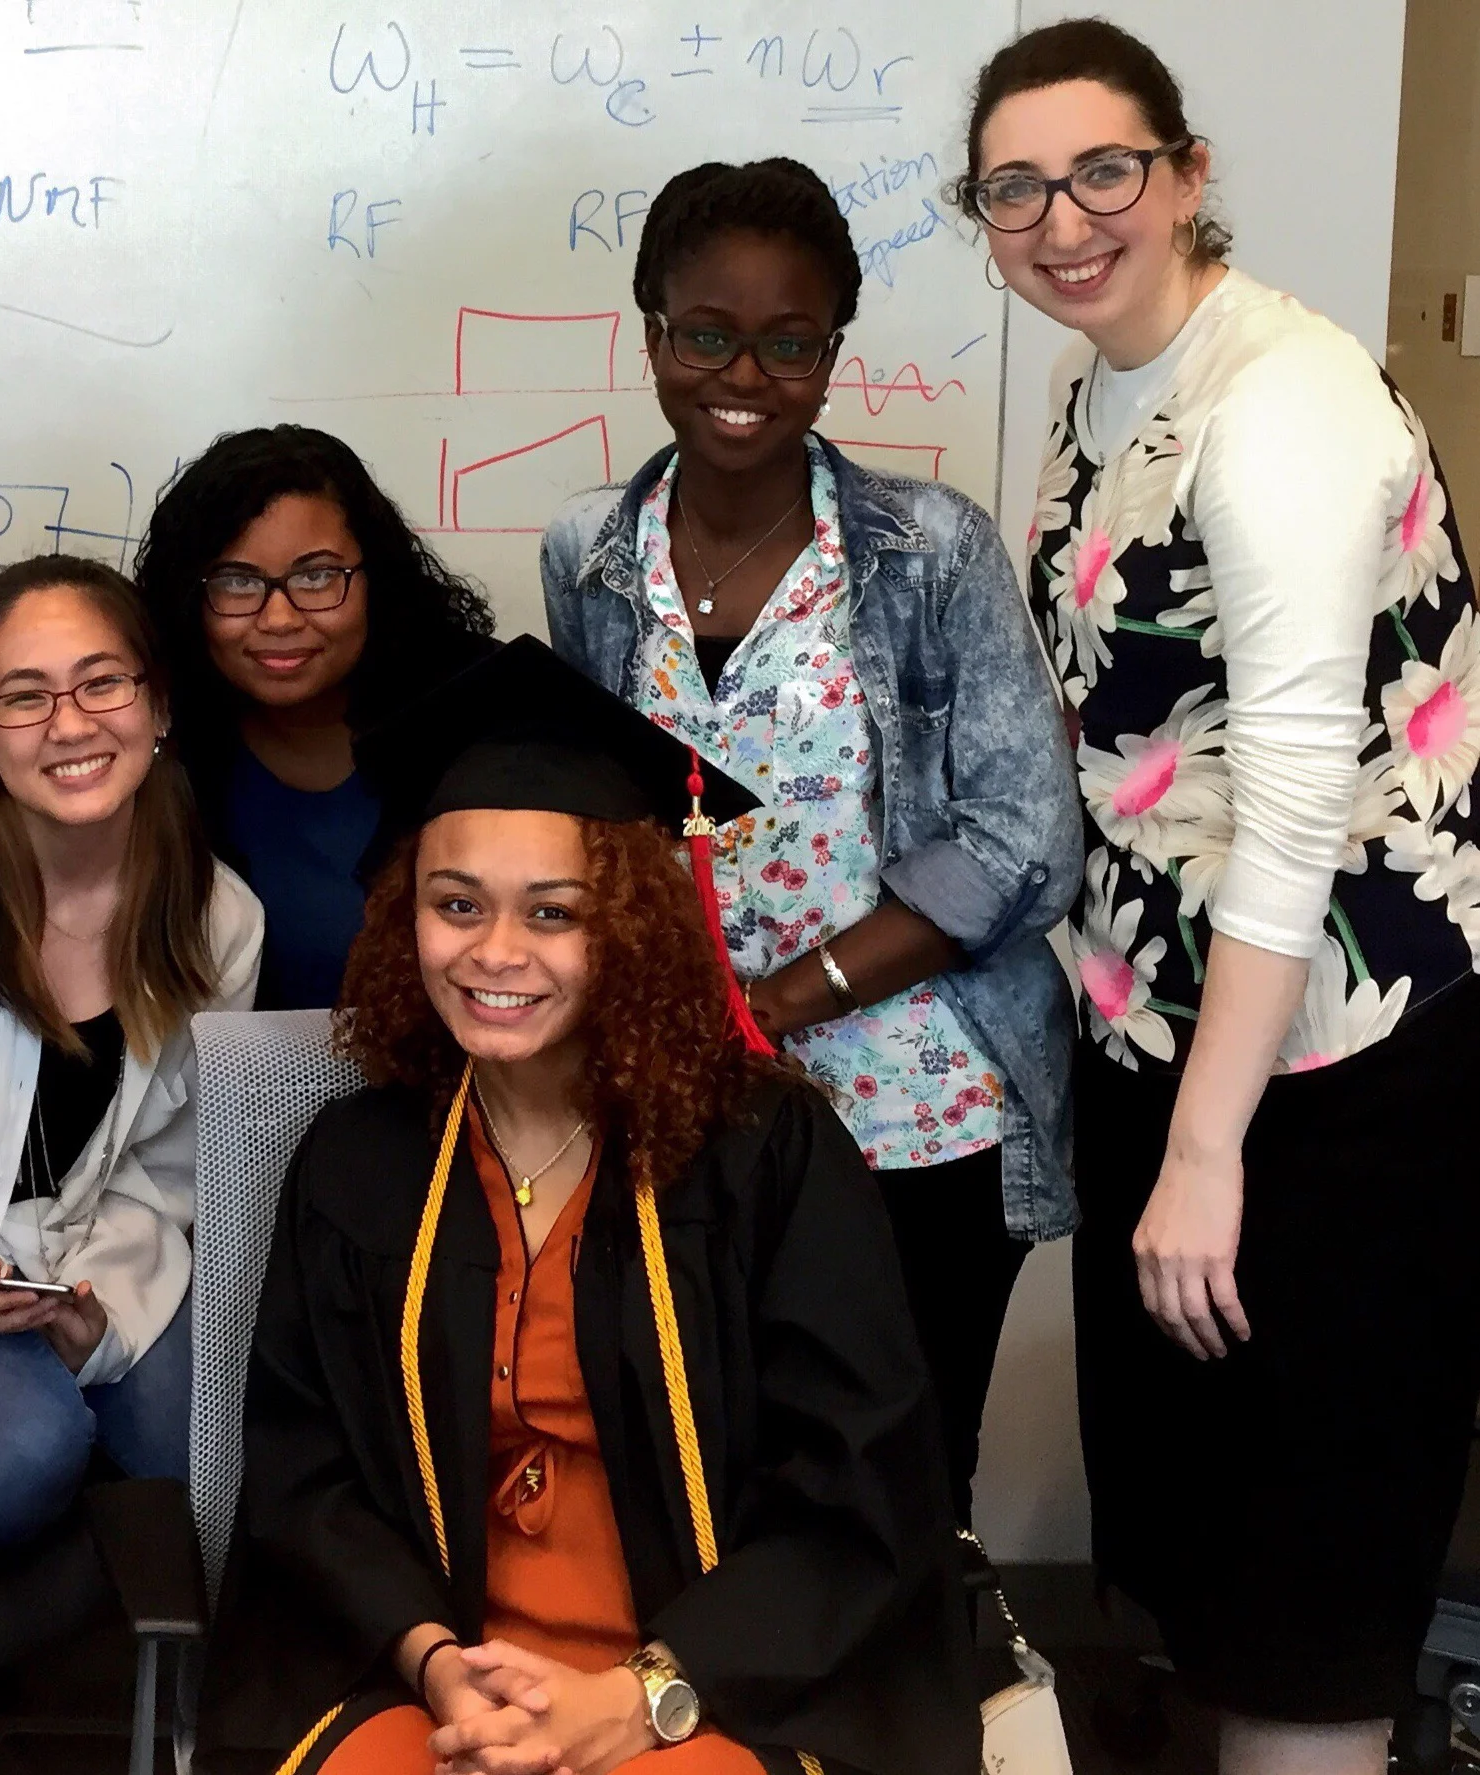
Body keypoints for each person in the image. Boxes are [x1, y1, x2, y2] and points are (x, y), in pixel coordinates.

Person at [961, 21, 1480, 1771]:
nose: (1061, 220)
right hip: (1164, 1039)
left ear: (1186, 175)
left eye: (1103, 170)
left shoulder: (1282, 401)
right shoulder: (1104, 378)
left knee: (1302, 1590)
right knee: (1196, 1551)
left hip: (1328, 1073)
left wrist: (1206, 1152)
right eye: (1014, 187)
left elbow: (1293, 801)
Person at [199, 637, 979, 1775]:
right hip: (434, 1679)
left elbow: (855, 1490)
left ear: (628, 924)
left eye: (552, 913)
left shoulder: (762, 1154)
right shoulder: (360, 1162)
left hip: (705, 1691)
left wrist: (640, 1696)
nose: (494, 953)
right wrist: (435, 1663)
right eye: (455, 904)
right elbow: (303, 1474)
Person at [541, 158, 1082, 1525]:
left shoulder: (929, 549)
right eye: (706, 334)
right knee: (707, 1468)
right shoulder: (589, 552)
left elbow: (1025, 839)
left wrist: (777, 1004)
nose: (744, 375)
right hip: (685, 1096)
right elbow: (597, 822)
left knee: (900, 1487)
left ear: (831, 355)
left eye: (789, 343)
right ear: (651, 336)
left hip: (917, 1106)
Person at [0, 554, 263, 1564]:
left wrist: (99, 1317)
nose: (69, 725)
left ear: (157, 706)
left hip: (76, 1258)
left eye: (102, 682)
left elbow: (165, 1172)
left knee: (216, 1452)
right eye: (25, 697)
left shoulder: (219, 918)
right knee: (16, 1458)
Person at [134, 425, 495, 1009]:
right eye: (237, 582)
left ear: (377, 579)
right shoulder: (156, 741)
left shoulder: (486, 720)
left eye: (317, 576)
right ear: (190, 599)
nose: (279, 618)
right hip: (231, 1069)